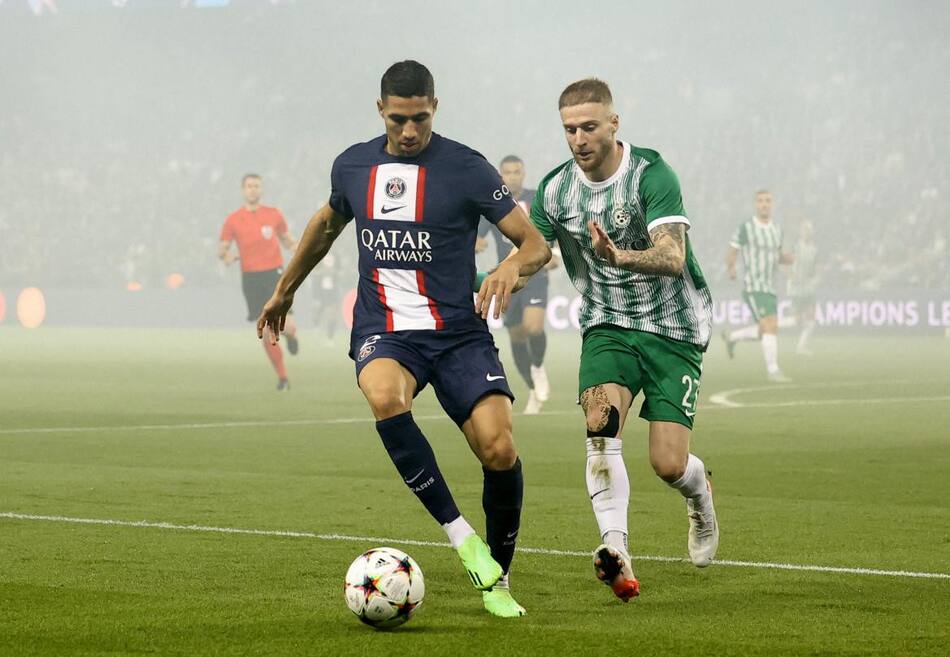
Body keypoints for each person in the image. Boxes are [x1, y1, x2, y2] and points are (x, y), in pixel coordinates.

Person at [256, 61, 550, 618]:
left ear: (434, 107)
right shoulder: (353, 165)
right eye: (398, 119)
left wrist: (512, 268)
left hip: (459, 332)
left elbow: (534, 244)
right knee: (386, 397)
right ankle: (462, 537)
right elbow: (326, 223)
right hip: (386, 329)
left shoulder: (466, 168)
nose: (409, 131)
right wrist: (285, 290)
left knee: (499, 448)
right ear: (380, 111)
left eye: (419, 118)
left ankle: (499, 576)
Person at [529, 78, 719, 602]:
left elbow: (673, 256)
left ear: (614, 124)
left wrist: (620, 257)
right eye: (570, 129)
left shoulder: (651, 175)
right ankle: (616, 548)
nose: (579, 138)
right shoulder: (554, 190)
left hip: (673, 328)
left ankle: (700, 496)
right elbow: (537, 255)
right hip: (607, 323)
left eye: (589, 126)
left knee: (668, 464)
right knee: (599, 423)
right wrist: (492, 277)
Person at [475, 155, 559, 414]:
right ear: (501, 176)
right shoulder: (495, 203)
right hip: (506, 280)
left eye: (517, 171)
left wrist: (553, 257)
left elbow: (551, 233)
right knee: (516, 335)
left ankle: (538, 367)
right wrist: (474, 245)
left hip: (533, 274)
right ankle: (532, 387)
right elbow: (478, 239)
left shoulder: (536, 199)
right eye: (508, 172)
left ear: (523, 174)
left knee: (533, 327)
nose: (512, 176)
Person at [219, 174, 299, 390]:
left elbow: (286, 237)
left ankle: (291, 335)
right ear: (243, 190)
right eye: (249, 186)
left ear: (261, 190)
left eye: (256, 186)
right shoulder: (233, 219)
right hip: (251, 278)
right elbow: (223, 247)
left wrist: (296, 248)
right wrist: (226, 256)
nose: (253, 190)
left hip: (275, 274)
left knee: (287, 324)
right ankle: (283, 378)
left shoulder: (273, 214)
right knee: (265, 330)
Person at [723, 190, 795, 382]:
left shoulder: (777, 230)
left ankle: (733, 337)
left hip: (771, 286)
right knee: (770, 325)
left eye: (768, 201)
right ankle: (773, 371)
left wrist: (788, 260)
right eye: (761, 201)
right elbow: (732, 250)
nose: (764, 204)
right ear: (756, 204)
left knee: (767, 328)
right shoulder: (746, 228)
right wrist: (731, 267)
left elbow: (778, 256)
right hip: (754, 286)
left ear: (772, 204)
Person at [787, 220, 818, 355]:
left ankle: (801, 347)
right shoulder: (795, 247)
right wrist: (791, 276)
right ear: (801, 232)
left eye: (809, 230)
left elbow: (815, 269)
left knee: (811, 318)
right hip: (795, 289)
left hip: (808, 289)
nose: (807, 232)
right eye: (804, 230)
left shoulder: (814, 249)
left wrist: (815, 279)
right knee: (796, 321)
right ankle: (769, 326)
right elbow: (784, 263)